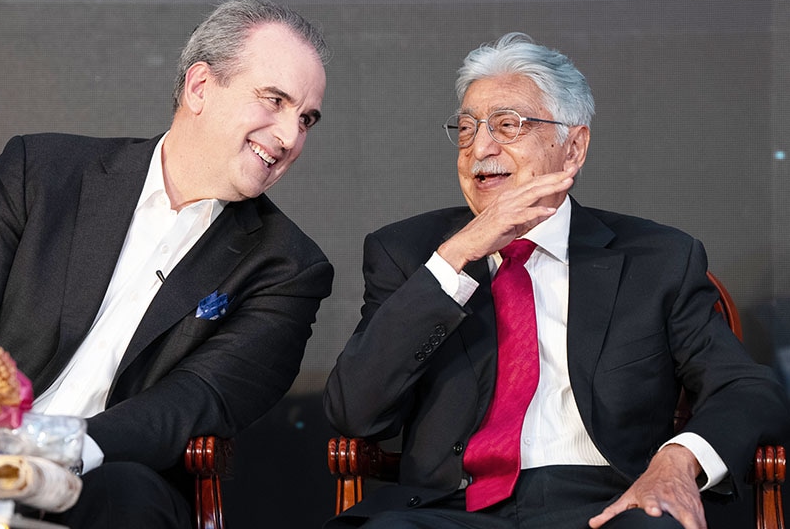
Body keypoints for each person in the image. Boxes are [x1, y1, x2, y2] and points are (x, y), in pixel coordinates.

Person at [323, 32, 790, 529]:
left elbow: (745, 387)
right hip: (450, 511)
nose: (480, 147)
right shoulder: (410, 254)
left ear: (573, 148)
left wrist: (677, 461)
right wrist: (456, 256)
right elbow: (356, 412)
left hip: (609, 507)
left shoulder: (657, 260)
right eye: (466, 129)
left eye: (507, 125)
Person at [0, 0, 334, 528]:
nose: (291, 136)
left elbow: (195, 401)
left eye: (306, 119)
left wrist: (52, 449)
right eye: (274, 100)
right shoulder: (40, 173)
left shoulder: (288, 267)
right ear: (200, 87)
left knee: (127, 495)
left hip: (101, 478)